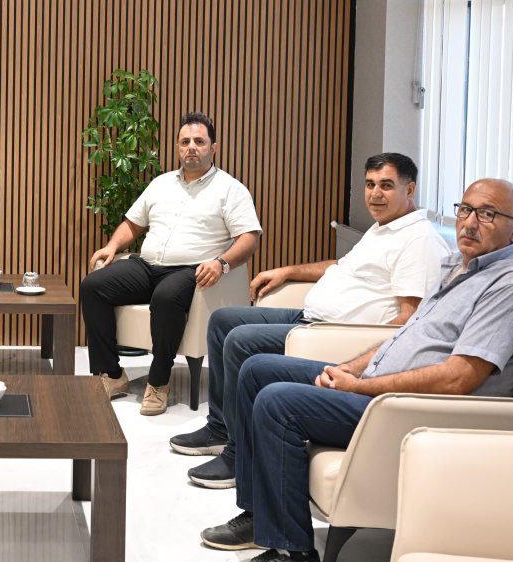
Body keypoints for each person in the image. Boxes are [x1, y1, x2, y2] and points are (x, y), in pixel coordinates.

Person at [200, 178, 513, 562]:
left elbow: (458, 379)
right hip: (377, 386)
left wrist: (361, 386)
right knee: (257, 371)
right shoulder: (458, 268)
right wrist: (350, 368)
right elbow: (405, 336)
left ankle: (294, 557)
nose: (470, 223)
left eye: (487, 214)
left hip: (411, 410)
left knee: (276, 402)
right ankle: (261, 516)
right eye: (465, 209)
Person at [171, 153, 448, 490]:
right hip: (311, 317)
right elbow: (341, 266)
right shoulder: (384, 228)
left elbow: (409, 319)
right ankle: (220, 427)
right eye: (370, 184)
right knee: (222, 321)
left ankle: (238, 454)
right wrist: (288, 271)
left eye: (386, 186)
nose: (375, 194)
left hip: (331, 333)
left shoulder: (419, 240)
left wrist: (364, 358)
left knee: (240, 340)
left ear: (410, 189)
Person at [79, 112, 262, 416]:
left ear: (213, 147)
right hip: (147, 266)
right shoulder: (160, 184)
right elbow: (133, 224)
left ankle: (158, 382)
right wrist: (111, 246)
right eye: (185, 141)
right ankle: (112, 374)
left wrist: (221, 263)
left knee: (166, 298)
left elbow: (249, 238)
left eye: (199, 141)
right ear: (177, 147)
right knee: (93, 286)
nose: (191, 147)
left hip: (192, 271)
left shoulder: (230, 189)